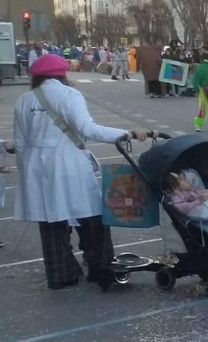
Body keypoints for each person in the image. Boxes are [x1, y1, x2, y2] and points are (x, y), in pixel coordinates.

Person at [12, 54, 152, 290]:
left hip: (36, 166)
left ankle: (61, 274)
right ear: (62, 74)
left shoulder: (24, 100)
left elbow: (20, 142)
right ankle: (99, 266)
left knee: (51, 219)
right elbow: (88, 129)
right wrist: (125, 133)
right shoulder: (69, 95)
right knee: (93, 215)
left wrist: (25, 173)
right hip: (68, 163)